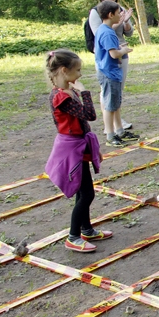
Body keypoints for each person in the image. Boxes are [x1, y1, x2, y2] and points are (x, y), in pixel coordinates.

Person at [44, 49, 111, 252]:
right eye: (78, 70)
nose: (80, 74)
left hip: (80, 147)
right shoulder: (60, 98)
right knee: (86, 194)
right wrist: (84, 92)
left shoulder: (67, 92)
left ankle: (87, 229)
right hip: (71, 150)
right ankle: (73, 236)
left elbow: (83, 122)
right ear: (64, 71)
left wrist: (93, 149)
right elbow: (89, 115)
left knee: (84, 191)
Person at [88, 0, 136, 133]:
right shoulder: (97, 13)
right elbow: (101, 35)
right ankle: (109, 129)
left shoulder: (119, 9)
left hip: (118, 55)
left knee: (116, 92)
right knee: (108, 93)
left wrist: (126, 22)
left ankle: (118, 126)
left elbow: (128, 32)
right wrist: (122, 50)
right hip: (108, 61)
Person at [94, 0, 135, 147]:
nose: (121, 15)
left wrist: (119, 46)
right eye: (119, 13)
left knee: (115, 103)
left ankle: (120, 131)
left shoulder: (105, 30)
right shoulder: (107, 32)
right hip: (109, 73)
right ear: (111, 15)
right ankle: (110, 135)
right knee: (109, 105)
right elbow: (113, 54)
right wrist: (122, 51)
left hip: (112, 72)